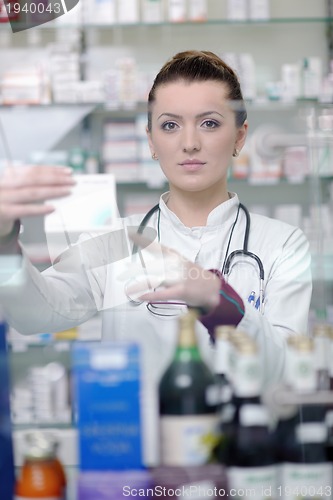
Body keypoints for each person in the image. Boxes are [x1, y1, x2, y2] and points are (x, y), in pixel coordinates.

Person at [0, 50, 312, 463]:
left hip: (244, 467)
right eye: (170, 125)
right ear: (150, 140)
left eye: (210, 123)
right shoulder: (116, 241)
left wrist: (222, 304)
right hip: (139, 465)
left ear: (239, 136)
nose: (189, 143)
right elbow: (34, 315)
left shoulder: (284, 245)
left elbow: (289, 376)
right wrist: (5, 240)